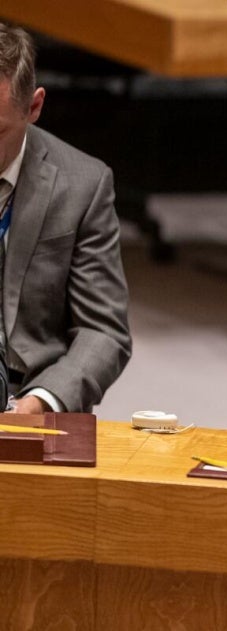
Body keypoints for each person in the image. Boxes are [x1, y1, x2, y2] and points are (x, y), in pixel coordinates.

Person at [0, 23, 131, 413]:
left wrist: (43, 400)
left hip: (30, 389)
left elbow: (103, 330)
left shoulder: (84, 185)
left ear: (34, 107)